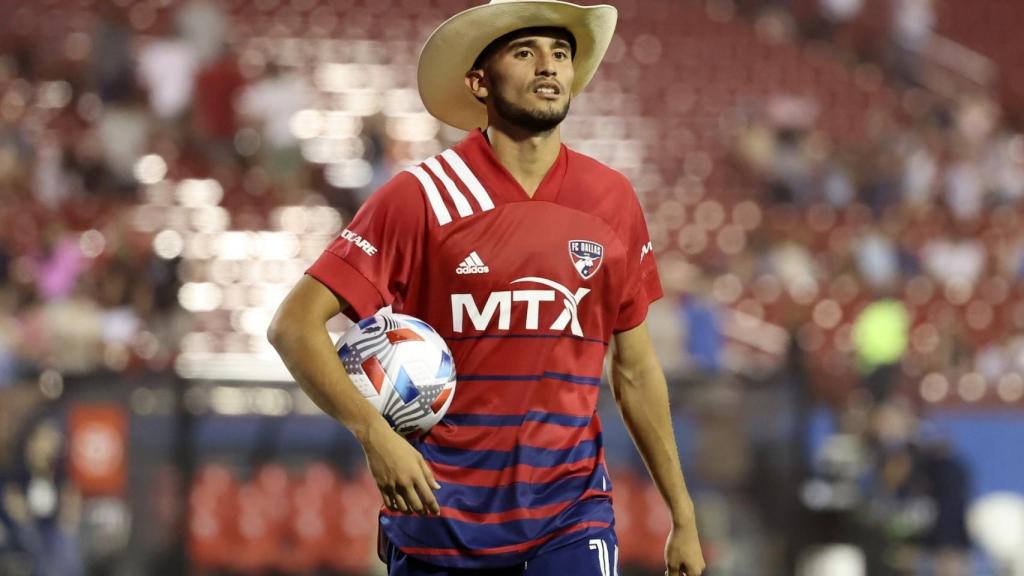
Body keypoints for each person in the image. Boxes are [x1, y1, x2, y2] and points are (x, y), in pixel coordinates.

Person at [268, 1, 705, 575]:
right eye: (525, 53)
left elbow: (635, 370)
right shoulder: (420, 196)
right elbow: (293, 326)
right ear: (479, 82)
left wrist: (683, 514)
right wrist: (373, 433)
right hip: (440, 525)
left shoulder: (612, 200)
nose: (548, 66)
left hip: (571, 517)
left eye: (561, 53)